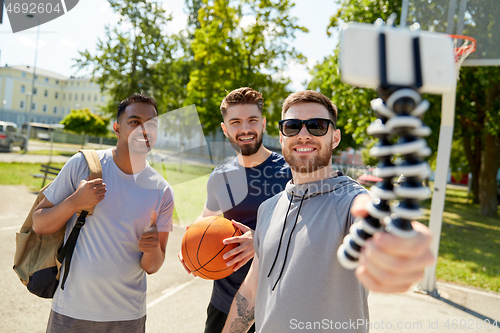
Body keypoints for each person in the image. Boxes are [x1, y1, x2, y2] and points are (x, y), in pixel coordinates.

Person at [222, 90, 435, 333]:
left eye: (317, 126)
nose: (303, 135)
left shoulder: (352, 201)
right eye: (292, 126)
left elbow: (378, 229)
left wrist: (399, 246)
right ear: (281, 138)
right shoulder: (268, 208)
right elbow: (250, 292)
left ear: (334, 138)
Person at [33, 94, 174, 333]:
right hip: (72, 310)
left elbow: (153, 266)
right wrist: (74, 202)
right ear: (117, 128)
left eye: (151, 124)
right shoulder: (83, 165)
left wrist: (152, 250)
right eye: (134, 121)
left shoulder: (162, 191)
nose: (144, 129)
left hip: (128, 316)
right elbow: (39, 223)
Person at [178, 87, 292, 333]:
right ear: (225, 128)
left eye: (252, 120)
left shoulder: (291, 171)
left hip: (276, 305)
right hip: (225, 302)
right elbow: (207, 217)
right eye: (236, 122)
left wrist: (260, 241)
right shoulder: (220, 176)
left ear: (263, 124)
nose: (245, 129)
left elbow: (308, 231)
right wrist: (189, 243)